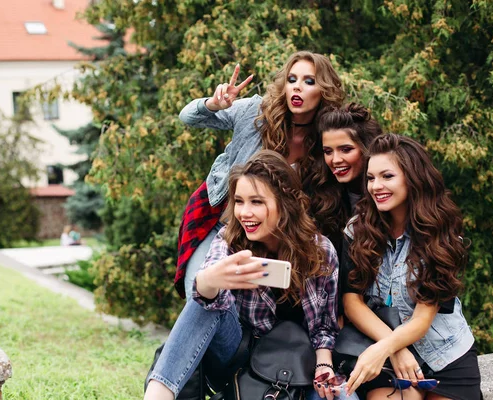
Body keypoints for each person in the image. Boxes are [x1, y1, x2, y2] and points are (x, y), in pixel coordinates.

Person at [145, 150, 344, 400]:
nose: (244, 213)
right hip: (237, 356)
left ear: (286, 202)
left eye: (257, 202)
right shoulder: (229, 240)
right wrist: (209, 282)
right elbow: (207, 301)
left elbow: (324, 326)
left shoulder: (320, 250)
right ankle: (157, 396)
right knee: (204, 300)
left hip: (296, 363)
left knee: (342, 397)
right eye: (239, 201)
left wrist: (323, 365)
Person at [175, 51, 345, 301]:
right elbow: (187, 116)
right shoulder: (257, 111)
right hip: (221, 218)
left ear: (325, 90)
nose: (297, 87)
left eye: (309, 81)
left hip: (266, 235)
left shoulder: (326, 139)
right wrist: (213, 104)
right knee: (199, 293)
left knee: (244, 312)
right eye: (292, 79)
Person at [341, 134, 481, 399]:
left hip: (444, 352)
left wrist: (385, 348)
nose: (376, 186)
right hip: (382, 352)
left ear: (412, 178)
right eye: (371, 178)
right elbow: (352, 303)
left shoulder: (440, 235)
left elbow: (422, 319)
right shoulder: (357, 231)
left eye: (387, 176)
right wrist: (391, 349)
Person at [305, 102, 383, 254]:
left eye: (346, 150)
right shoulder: (319, 195)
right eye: (328, 151)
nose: (335, 160)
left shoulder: (384, 197)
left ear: (367, 148)